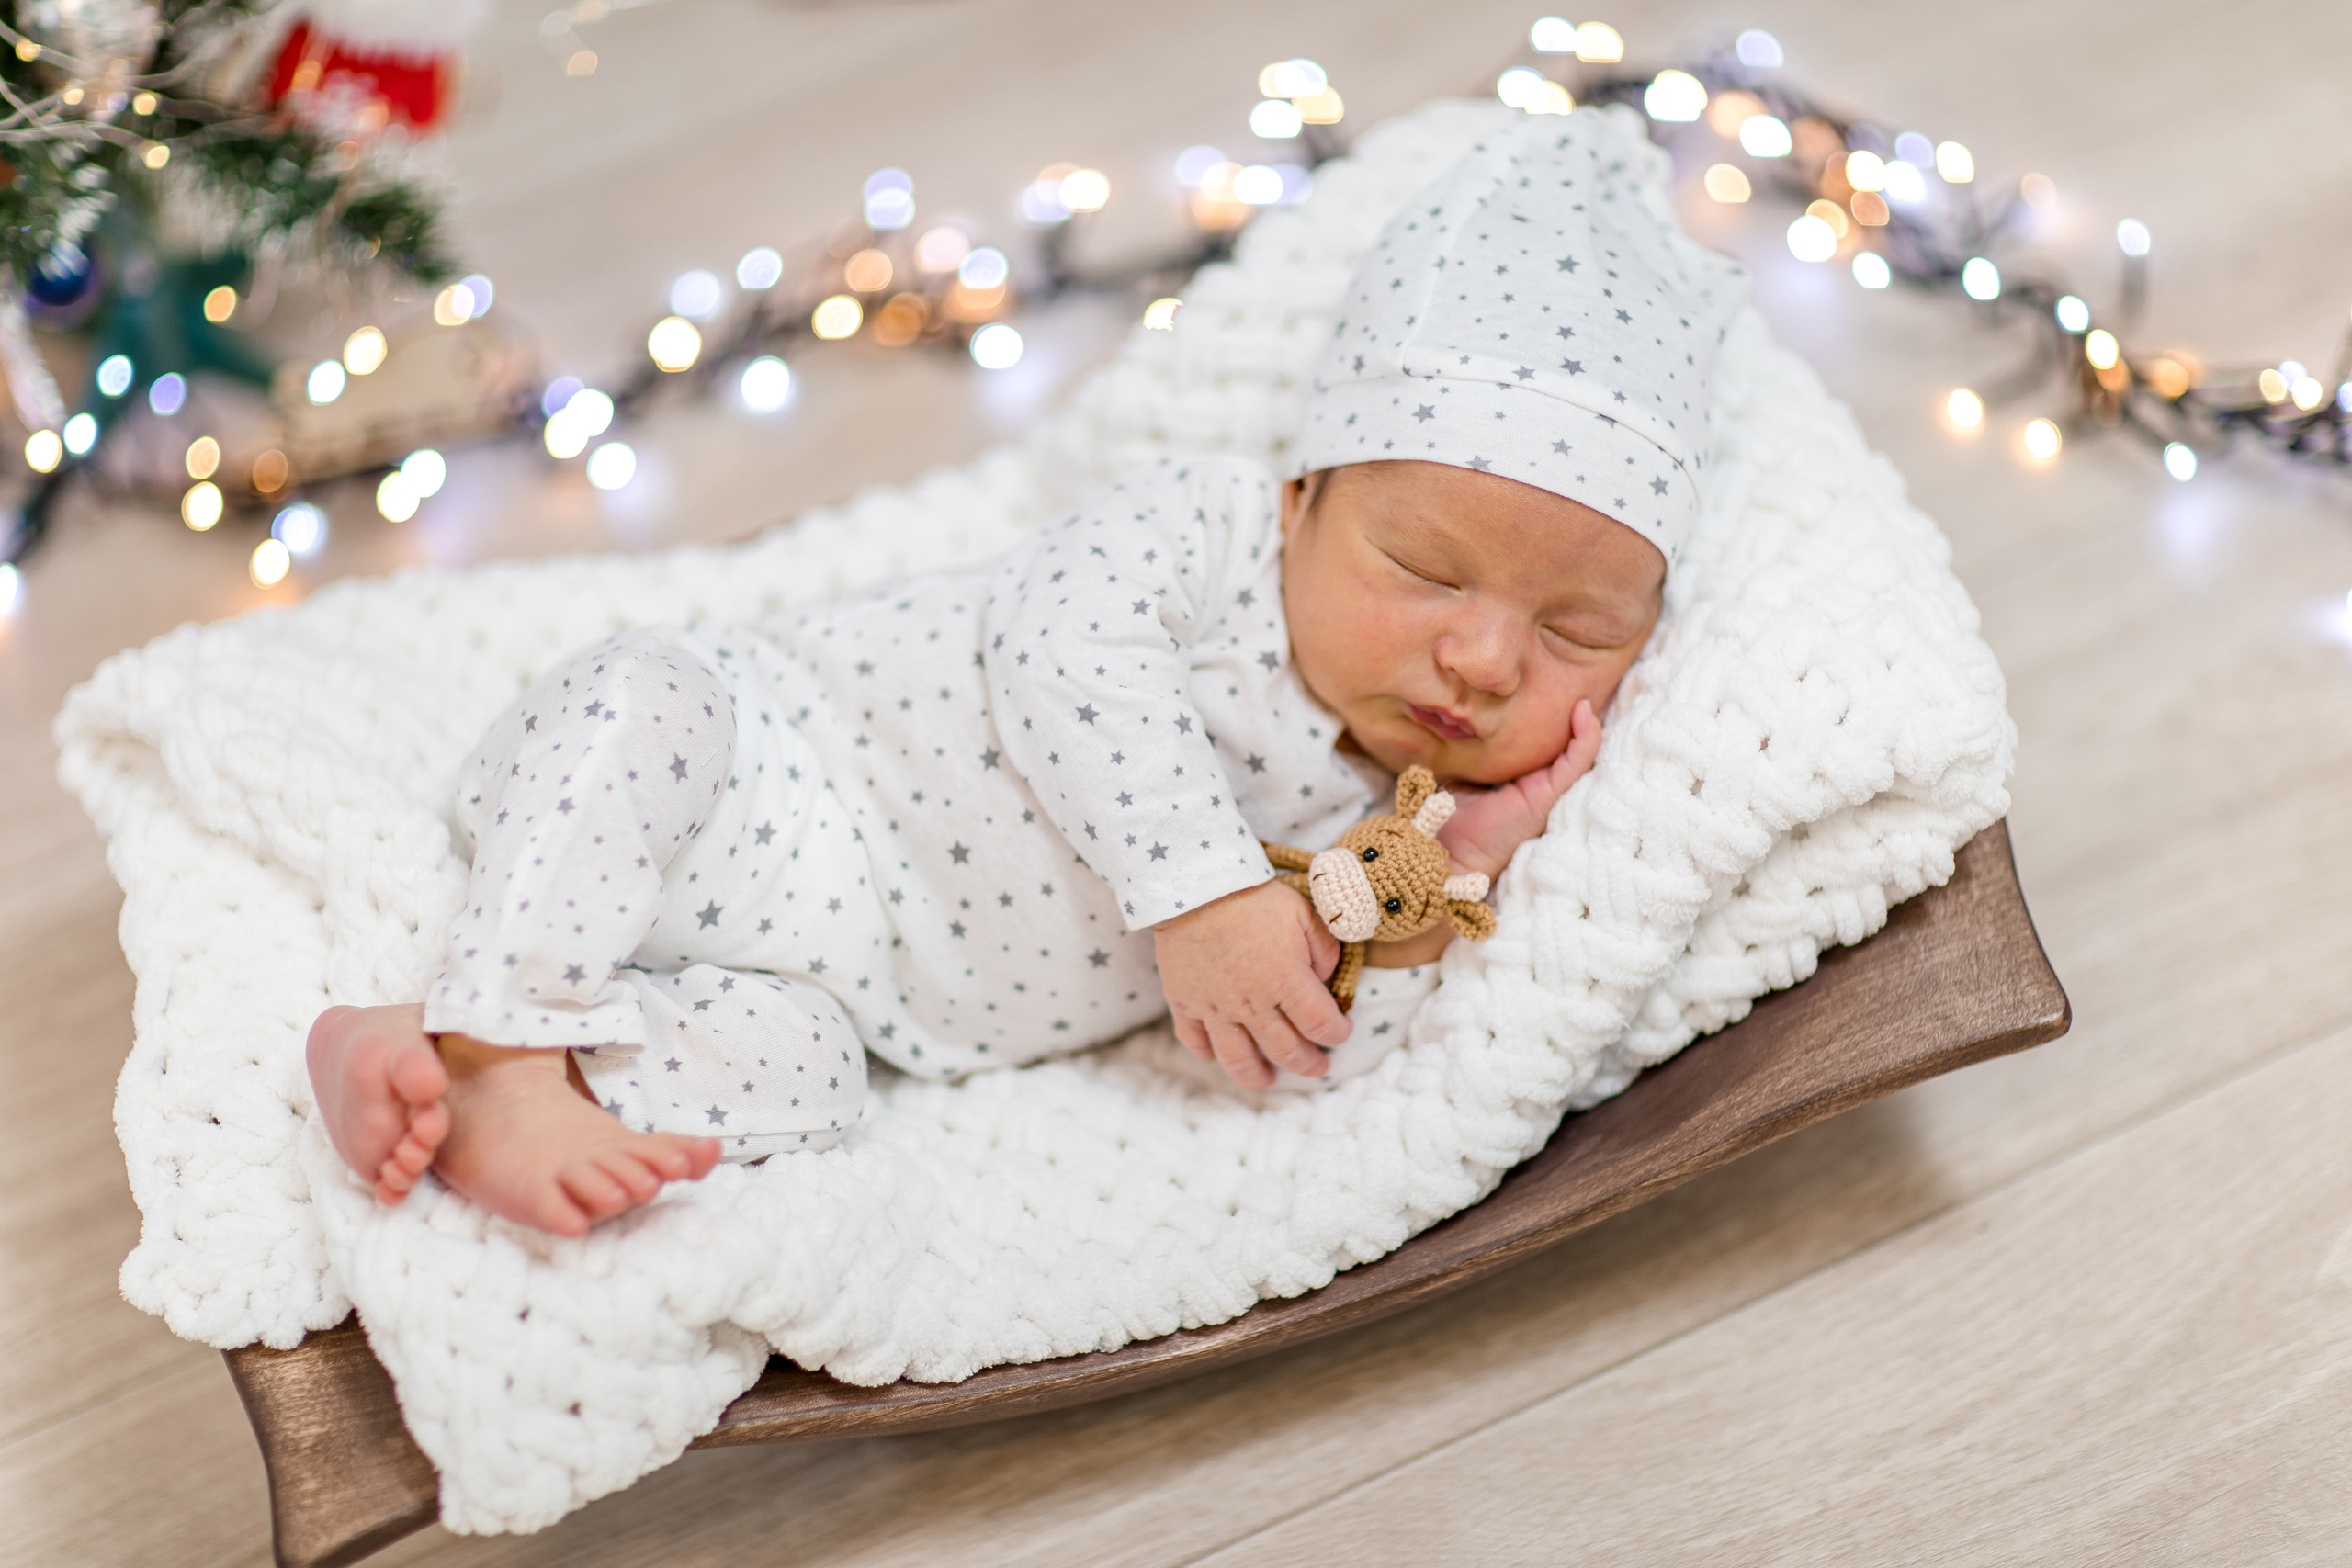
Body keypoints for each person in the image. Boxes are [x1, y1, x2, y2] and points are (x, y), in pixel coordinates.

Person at [307, 110, 1746, 1235]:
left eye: (1578, 634)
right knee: (640, 701)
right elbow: (1060, 638)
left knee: (801, 1090)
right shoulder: (1207, 531)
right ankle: (505, 1043)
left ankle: (437, 1051)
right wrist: (1198, 884)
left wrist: (1472, 863)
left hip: (850, 1006)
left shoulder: (1374, 837)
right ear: (1304, 499)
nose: (1486, 655)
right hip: (766, 770)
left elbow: (1313, 1044)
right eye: (1428, 569)